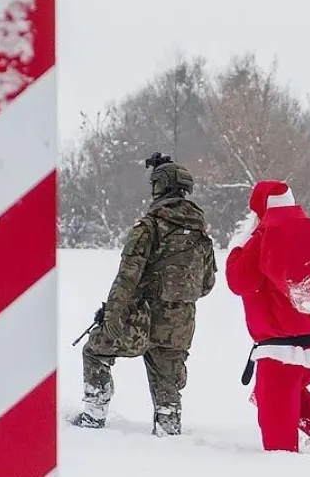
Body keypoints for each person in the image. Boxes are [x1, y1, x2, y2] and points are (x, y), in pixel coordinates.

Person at [71, 154, 217, 436]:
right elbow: (206, 285)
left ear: (159, 187)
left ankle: (94, 415)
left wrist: (113, 313)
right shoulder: (201, 235)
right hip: (180, 325)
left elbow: (127, 276)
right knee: (167, 381)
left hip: (141, 318)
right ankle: (168, 431)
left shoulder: (148, 227)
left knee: (94, 350)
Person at [225, 179, 310, 454]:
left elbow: (239, 281)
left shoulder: (263, 237)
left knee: (279, 442)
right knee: (273, 394)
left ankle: (286, 466)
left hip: (282, 347)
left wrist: (238, 249)